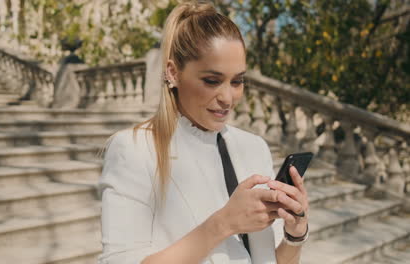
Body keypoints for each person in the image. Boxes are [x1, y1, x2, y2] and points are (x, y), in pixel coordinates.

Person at [97, 1, 309, 263]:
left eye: (237, 81)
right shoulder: (134, 149)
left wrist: (294, 235)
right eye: (212, 81)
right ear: (173, 73)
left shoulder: (254, 147)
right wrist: (224, 223)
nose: (228, 98)